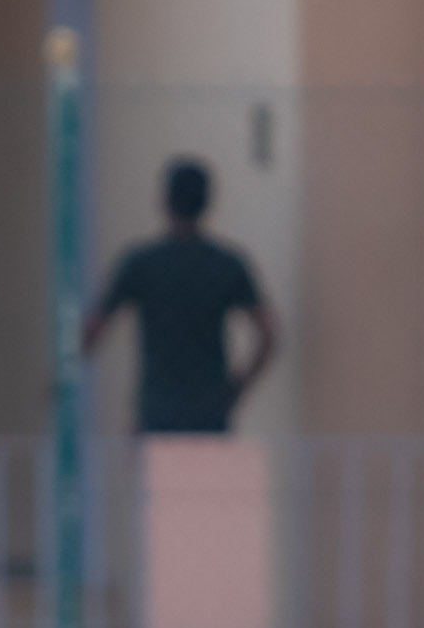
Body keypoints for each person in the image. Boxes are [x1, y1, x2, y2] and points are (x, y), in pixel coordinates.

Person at [82, 157, 278, 436]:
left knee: (161, 479)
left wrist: (64, 374)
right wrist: (236, 389)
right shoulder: (227, 264)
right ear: (208, 203)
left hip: (158, 413)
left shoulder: (141, 264)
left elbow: (94, 328)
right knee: (208, 481)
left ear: (164, 201)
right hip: (210, 414)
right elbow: (269, 335)